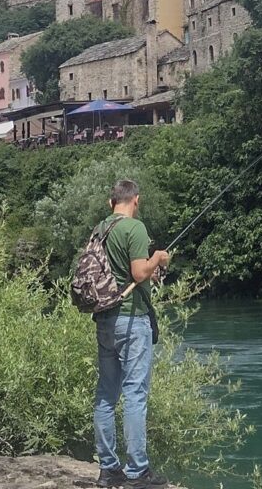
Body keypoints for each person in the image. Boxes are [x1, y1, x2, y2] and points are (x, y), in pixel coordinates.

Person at [93, 179, 170, 488]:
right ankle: (138, 471)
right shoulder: (134, 228)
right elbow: (139, 273)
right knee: (135, 393)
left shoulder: (101, 229)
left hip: (105, 320)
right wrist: (159, 259)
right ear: (135, 200)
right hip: (132, 320)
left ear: (113, 202)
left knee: (106, 394)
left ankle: (108, 469)